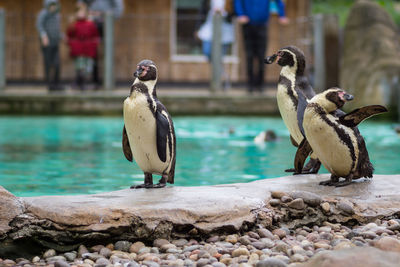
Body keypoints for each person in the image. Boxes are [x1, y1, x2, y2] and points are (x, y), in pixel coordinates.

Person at [234, 0, 289, 93]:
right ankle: (250, 85)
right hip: (248, 25)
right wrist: (241, 14)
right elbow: (238, 2)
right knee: (249, 55)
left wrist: (282, 15)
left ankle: (260, 85)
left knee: (261, 56)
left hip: (262, 25)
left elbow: (279, 2)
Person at [79, 0, 124, 87]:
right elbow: (81, 3)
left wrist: (107, 16)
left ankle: (108, 82)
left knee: (107, 52)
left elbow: (119, 9)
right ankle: (92, 80)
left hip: (106, 23)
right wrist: (87, 13)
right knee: (90, 52)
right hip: (90, 23)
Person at [196, 0, 235, 88]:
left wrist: (223, 12)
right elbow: (202, 12)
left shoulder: (230, 2)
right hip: (209, 28)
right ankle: (224, 75)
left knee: (219, 57)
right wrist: (197, 27)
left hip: (225, 29)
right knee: (207, 52)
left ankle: (219, 81)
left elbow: (233, 13)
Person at [67, 3, 100, 90]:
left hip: (88, 50)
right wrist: (73, 44)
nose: (80, 14)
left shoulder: (90, 24)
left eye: (82, 12)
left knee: (88, 68)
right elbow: (69, 36)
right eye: (79, 12)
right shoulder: (73, 24)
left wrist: (93, 45)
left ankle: (78, 82)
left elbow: (95, 36)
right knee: (80, 67)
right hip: (78, 50)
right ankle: (80, 84)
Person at [36, 0, 63, 92]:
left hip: (55, 43)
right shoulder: (43, 14)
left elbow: (57, 28)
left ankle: (57, 84)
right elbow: (39, 26)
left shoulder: (57, 15)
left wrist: (61, 36)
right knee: (48, 64)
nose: (53, 7)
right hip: (47, 43)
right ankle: (49, 84)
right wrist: (43, 36)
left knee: (57, 64)